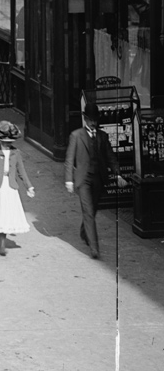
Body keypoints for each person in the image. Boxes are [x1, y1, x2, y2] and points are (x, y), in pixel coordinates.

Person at [64, 108, 114, 259]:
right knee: (88, 210)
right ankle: (94, 248)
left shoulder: (102, 136)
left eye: (95, 120)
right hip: (83, 179)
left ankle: (84, 231)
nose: (93, 123)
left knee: (93, 208)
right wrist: (69, 180)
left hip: (98, 178)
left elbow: (110, 156)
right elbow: (69, 159)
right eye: (90, 120)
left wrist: (117, 173)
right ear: (85, 119)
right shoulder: (76, 135)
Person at [0, 120, 36, 255]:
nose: (8, 144)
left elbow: (21, 170)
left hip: (10, 186)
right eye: (5, 142)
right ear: (0, 140)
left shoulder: (16, 153)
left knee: (5, 214)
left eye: (10, 142)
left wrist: (29, 186)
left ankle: (1, 243)